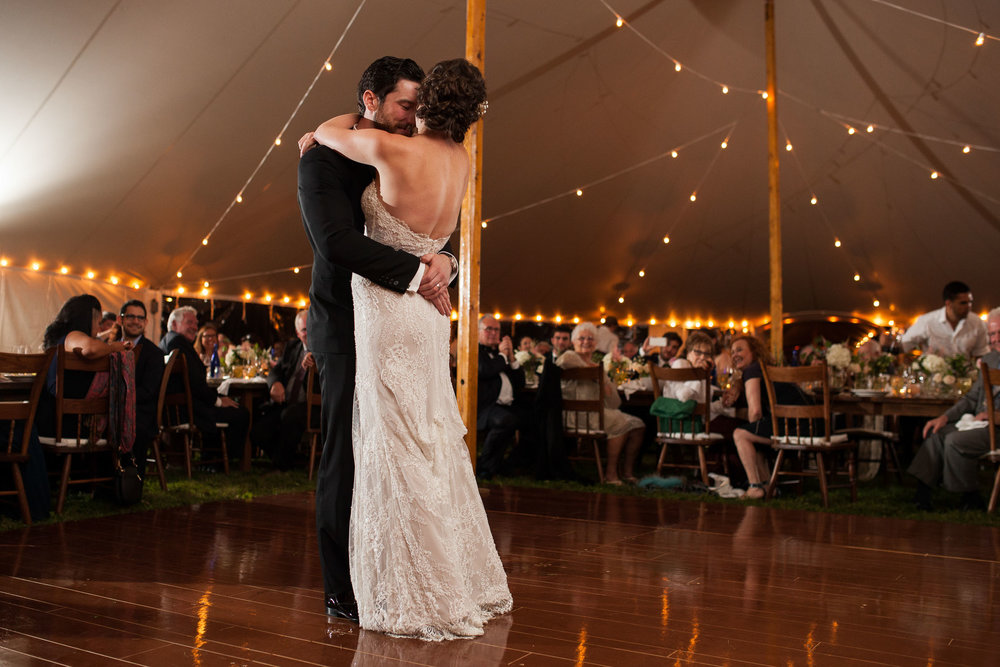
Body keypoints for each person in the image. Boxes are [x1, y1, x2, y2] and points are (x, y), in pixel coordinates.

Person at [304, 57, 510, 639]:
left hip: (394, 313)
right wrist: (433, 265)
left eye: (419, 104)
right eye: (403, 102)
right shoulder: (461, 161)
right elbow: (346, 240)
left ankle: (412, 581)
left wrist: (441, 263)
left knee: (398, 445)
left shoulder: (387, 149)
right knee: (407, 443)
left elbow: (325, 132)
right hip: (399, 317)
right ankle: (379, 582)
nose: (411, 113)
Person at [908, 308, 1000, 510]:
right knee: (936, 432)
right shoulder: (989, 360)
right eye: (992, 334)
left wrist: (993, 415)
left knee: (955, 440)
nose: (995, 339)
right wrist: (944, 418)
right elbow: (971, 398)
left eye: (999, 333)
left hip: (997, 429)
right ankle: (922, 494)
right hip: (978, 424)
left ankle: (970, 496)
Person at [556, 322, 645, 485]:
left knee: (638, 425)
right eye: (581, 338)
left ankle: (627, 471)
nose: (586, 341)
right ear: (573, 342)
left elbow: (614, 403)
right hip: (576, 416)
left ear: (596, 343)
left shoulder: (600, 368)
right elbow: (562, 363)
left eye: (590, 338)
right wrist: (592, 372)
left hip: (596, 414)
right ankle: (610, 474)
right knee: (621, 423)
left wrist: (604, 381)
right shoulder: (569, 356)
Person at [158, 306, 249, 466]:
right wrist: (219, 401)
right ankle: (228, 461)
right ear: (173, 325)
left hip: (177, 408)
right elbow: (195, 383)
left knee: (227, 405)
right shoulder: (178, 343)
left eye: (195, 323)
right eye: (189, 322)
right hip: (188, 411)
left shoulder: (166, 342)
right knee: (241, 412)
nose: (194, 327)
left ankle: (210, 459)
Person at [37, 295, 133, 439]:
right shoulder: (73, 335)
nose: (99, 327)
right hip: (60, 423)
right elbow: (90, 349)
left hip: (59, 419)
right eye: (98, 321)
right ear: (89, 318)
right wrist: (114, 347)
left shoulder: (62, 337)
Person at [251, 310, 313, 470]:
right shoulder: (293, 347)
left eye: (312, 326)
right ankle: (290, 460)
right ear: (298, 333)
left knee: (290, 416)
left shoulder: (324, 350)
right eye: (305, 330)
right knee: (259, 429)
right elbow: (275, 371)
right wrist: (275, 383)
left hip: (310, 406)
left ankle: (280, 465)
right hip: (285, 402)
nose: (309, 332)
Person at [118, 299, 165, 479]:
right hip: (112, 408)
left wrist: (122, 399)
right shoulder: (108, 347)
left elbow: (149, 391)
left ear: (146, 322)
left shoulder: (154, 353)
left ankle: (129, 484)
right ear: (121, 319)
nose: (135, 321)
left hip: (141, 412)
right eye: (130, 316)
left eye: (140, 318)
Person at [476, 314, 526, 479]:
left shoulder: (501, 356)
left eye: (496, 329)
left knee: (533, 417)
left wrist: (511, 357)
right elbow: (486, 370)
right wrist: (503, 356)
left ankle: (509, 463)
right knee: (505, 420)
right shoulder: (474, 350)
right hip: (485, 406)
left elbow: (520, 383)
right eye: (488, 328)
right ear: (478, 332)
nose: (493, 332)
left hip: (506, 405)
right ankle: (484, 466)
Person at [727, 335, 776, 499]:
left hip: (795, 427)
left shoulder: (753, 370)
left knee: (741, 434)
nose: (735, 355)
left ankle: (755, 487)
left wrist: (751, 431)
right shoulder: (764, 368)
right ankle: (768, 486)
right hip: (808, 424)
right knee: (753, 433)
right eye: (732, 352)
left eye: (740, 349)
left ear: (754, 351)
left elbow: (755, 412)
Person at [901, 281, 989, 358]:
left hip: (965, 375)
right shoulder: (928, 321)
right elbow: (905, 344)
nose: (968, 306)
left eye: (970, 302)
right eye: (963, 303)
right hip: (933, 375)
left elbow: (981, 353)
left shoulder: (977, 323)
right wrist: (918, 361)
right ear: (949, 303)